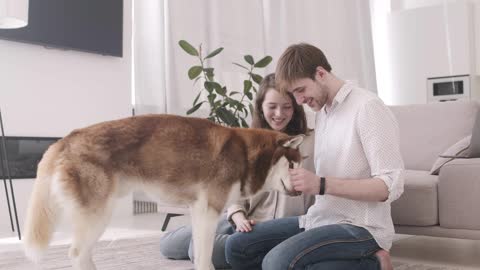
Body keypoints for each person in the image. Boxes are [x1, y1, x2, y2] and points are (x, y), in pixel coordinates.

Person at [225, 43, 404, 270]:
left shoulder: (367, 108)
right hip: (319, 218)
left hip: (361, 226)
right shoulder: (323, 114)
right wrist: (299, 184)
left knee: (276, 262)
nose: (299, 101)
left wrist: (320, 184)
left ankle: (372, 262)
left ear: (321, 74)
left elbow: (389, 187)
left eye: (301, 90)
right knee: (237, 246)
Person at [159, 73, 315, 269]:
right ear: (260, 107)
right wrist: (237, 215)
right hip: (242, 219)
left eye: (286, 107)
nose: (279, 114)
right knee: (168, 245)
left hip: (271, 228)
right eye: (272, 106)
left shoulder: (310, 142)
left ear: (296, 108)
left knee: (201, 251)